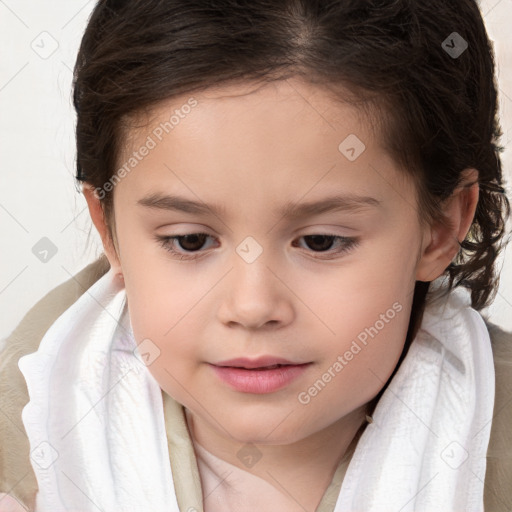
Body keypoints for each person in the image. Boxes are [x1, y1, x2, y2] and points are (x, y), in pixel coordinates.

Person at [1, 0, 511, 510]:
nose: (251, 306)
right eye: (190, 241)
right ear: (109, 230)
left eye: (320, 241)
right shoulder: (28, 436)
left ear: (439, 228)